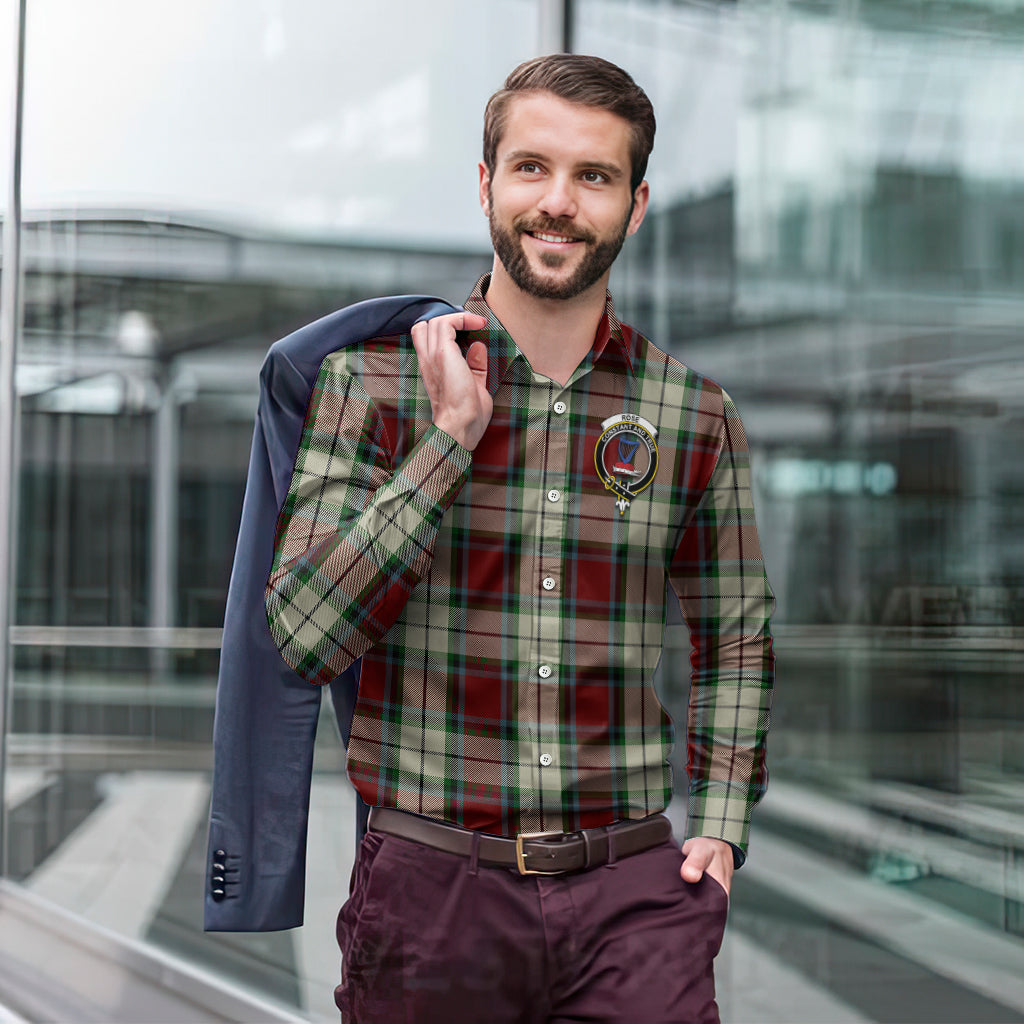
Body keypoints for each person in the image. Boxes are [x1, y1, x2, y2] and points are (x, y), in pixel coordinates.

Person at [265, 53, 775, 1024]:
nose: (559, 202)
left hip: (634, 896)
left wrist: (718, 821)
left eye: (595, 176)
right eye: (533, 167)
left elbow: (734, 633)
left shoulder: (692, 411)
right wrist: (449, 439)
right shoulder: (372, 385)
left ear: (636, 203)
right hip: (432, 896)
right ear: (487, 181)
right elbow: (302, 634)